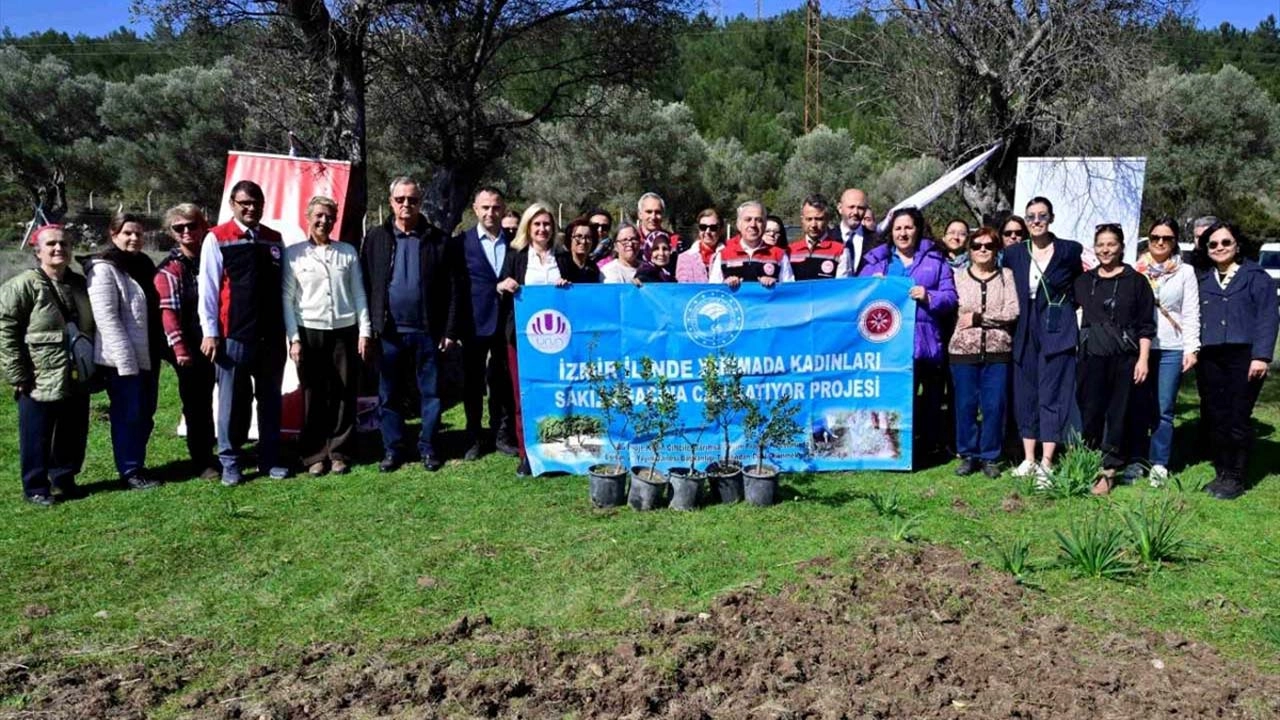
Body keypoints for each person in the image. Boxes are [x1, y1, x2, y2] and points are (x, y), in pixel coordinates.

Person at [361, 176, 460, 473]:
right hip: (388, 331)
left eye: (413, 200)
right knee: (388, 394)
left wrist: (450, 330)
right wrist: (369, 327)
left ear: (420, 201)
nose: (406, 205)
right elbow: (366, 285)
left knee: (430, 393)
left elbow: (454, 289)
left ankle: (429, 447)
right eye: (400, 199)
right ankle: (393, 449)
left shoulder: (438, 239)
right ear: (391, 202)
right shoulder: (376, 237)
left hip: (427, 332)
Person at [200, 180, 290, 485]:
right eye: (245, 203)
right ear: (233, 205)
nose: (251, 208)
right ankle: (231, 461)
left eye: (257, 203)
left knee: (270, 400)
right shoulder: (217, 238)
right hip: (234, 335)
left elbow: (284, 288)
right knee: (233, 402)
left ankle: (269, 459)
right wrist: (210, 332)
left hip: (272, 336)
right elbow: (209, 290)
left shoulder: (274, 240)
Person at [0, 225, 94, 506]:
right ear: (37, 250)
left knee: (73, 430)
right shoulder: (22, 285)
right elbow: (5, 329)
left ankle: (64, 478)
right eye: (51, 244)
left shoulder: (78, 284)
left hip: (76, 372)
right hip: (38, 375)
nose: (58, 249)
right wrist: (18, 373)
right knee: (36, 434)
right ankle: (36, 487)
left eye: (64, 244)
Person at [858, 207, 958, 464]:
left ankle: (928, 446)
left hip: (925, 341)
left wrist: (929, 296)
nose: (903, 233)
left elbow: (950, 298)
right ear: (891, 232)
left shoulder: (936, 261)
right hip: (889, 346)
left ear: (918, 230)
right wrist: (871, 286)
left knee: (930, 399)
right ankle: (895, 448)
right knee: (897, 397)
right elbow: (856, 297)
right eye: (898, 228)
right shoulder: (876, 262)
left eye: (908, 227)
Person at [283, 196, 372, 477]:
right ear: (308, 217)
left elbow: (359, 293)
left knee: (344, 392)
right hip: (310, 331)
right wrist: (294, 338)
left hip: (345, 331)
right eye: (319, 216)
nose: (324, 221)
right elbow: (287, 299)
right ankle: (314, 454)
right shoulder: (294, 254)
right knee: (314, 393)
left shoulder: (347, 252)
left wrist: (365, 330)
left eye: (329, 217)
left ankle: (339, 451)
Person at [1194, 221, 1279, 500]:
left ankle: (1237, 476)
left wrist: (1261, 356)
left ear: (1237, 245)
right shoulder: (1203, 279)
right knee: (1216, 416)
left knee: (1237, 417)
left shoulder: (1256, 277)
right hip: (1210, 356)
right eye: (1213, 244)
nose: (1219, 248)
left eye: (1225, 242)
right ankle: (1221, 471)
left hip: (1244, 356)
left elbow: (1268, 317)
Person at [1002, 196, 1083, 480]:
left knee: (1053, 394)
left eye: (1042, 216)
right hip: (1024, 329)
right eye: (1031, 217)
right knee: (1026, 394)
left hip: (1057, 329)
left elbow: (1078, 285)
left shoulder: (1069, 251)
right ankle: (1029, 458)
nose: (1036, 221)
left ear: (1051, 218)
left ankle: (1048, 462)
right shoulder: (1014, 253)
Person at [1074, 224, 1155, 495]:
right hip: (1091, 356)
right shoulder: (1084, 282)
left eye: (1111, 244)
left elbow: (1145, 325)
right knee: (1091, 411)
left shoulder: (1136, 282)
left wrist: (1143, 359)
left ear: (1121, 246)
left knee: (1117, 414)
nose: (1105, 250)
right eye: (1100, 245)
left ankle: (1109, 470)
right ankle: (1087, 463)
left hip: (1124, 359)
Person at [85, 212, 163, 491]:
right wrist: (125, 361)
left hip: (148, 353)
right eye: (127, 232)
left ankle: (136, 462)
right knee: (128, 414)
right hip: (123, 359)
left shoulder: (143, 264)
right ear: (113, 234)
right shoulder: (104, 268)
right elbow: (106, 318)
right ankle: (130, 469)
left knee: (145, 413)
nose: (134, 238)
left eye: (138, 233)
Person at [497, 203, 574, 476]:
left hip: (559, 339)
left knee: (559, 393)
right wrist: (504, 285)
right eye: (537, 224)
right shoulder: (516, 255)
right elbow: (500, 283)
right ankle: (527, 453)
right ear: (528, 227)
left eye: (547, 224)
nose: (542, 229)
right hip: (522, 338)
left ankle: (559, 450)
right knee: (524, 395)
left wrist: (567, 287)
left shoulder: (563, 258)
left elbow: (575, 295)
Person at [1125, 218, 1199, 485]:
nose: (1160, 242)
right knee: (1137, 405)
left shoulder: (1185, 272)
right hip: (1139, 347)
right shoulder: (1136, 269)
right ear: (1148, 238)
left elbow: (1190, 311)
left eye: (1166, 238)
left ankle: (1159, 462)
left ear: (1174, 241)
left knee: (1164, 408)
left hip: (1171, 346)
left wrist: (1192, 348)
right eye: (1155, 237)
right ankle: (1135, 460)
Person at [451, 187, 519, 460]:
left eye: (496, 207)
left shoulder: (515, 245)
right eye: (485, 207)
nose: (491, 212)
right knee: (473, 383)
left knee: (502, 381)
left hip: (505, 324)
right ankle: (473, 437)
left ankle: (501, 435)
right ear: (475, 210)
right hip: (474, 323)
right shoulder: (460, 243)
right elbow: (454, 287)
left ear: (503, 209)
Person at [948, 227, 1019, 477]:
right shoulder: (957, 277)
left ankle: (990, 455)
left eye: (988, 246)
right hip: (963, 351)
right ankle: (967, 453)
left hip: (998, 351)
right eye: (977, 245)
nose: (982, 250)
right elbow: (954, 310)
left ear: (996, 249)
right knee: (965, 405)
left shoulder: (1006, 276)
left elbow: (1012, 312)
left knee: (994, 405)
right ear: (969, 249)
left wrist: (979, 318)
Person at [154, 204, 219, 480]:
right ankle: (202, 459)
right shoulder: (170, 269)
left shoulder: (214, 256)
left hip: (219, 339)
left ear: (203, 225)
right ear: (171, 233)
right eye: (179, 228)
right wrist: (180, 349)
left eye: (191, 225)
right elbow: (168, 315)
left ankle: (224, 449)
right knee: (197, 403)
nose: (187, 231)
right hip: (191, 347)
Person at [709, 202, 794, 287]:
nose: (753, 224)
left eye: (758, 220)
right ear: (738, 224)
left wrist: (776, 285)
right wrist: (724, 284)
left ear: (764, 225)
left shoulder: (779, 255)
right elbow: (712, 292)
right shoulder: (723, 255)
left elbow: (789, 292)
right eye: (748, 219)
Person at [789, 194, 851, 279]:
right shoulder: (790, 251)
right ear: (802, 220)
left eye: (819, 219)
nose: (813, 224)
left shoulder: (840, 251)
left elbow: (841, 287)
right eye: (809, 219)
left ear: (827, 219)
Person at [837, 188, 880, 274]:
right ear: (840, 208)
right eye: (851, 207)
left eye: (860, 208)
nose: (855, 212)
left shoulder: (877, 241)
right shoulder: (828, 239)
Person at [675, 208, 722, 283]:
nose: (707, 231)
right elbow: (683, 287)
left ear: (720, 230)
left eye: (713, 228)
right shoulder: (684, 258)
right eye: (703, 227)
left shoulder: (729, 255)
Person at [561, 217, 604, 283]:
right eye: (578, 236)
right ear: (570, 239)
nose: (583, 241)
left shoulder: (593, 269)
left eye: (588, 237)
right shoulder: (560, 264)